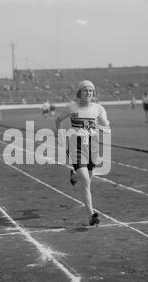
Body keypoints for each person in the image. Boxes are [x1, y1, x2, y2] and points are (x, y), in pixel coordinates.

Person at [55, 80, 110, 226]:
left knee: (87, 181)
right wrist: (60, 136)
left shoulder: (99, 109)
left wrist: (102, 123)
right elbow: (58, 120)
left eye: (91, 91)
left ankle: (74, 175)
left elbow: (106, 125)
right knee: (86, 180)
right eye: (85, 90)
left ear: (94, 93)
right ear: (79, 93)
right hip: (76, 147)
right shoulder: (71, 107)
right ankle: (91, 215)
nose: (88, 93)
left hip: (92, 147)